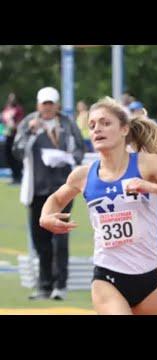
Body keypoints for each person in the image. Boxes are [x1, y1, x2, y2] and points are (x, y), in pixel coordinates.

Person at [39, 97, 157, 315]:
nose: (97, 129)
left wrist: (152, 187)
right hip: (108, 275)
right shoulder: (83, 175)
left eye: (105, 123)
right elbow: (56, 199)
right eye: (92, 125)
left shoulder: (149, 165)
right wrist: (45, 217)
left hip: (150, 277)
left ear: (124, 129)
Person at [12, 86, 85, 300]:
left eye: (51, 104)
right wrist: (31, 133)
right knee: (40, 239)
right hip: (37, 189)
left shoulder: (67, 123)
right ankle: (44, 285)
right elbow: (17, 151)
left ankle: (60, 285)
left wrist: (69, 157)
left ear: (57, 105)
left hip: (63, 188)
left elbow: (80, 148)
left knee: (60, 238)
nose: (47, 108)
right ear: (38, 105)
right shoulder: (28, 123)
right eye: (44, 104)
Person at [2, 92, 25, 184]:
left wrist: (14, 126)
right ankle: (14, 176)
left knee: (15, 156)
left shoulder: (18, 109)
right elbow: (3, 121)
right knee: (8, 156)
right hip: (7, 135)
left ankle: (18, 177)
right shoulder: (6, 109)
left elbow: (20, 122)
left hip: (16, 136)